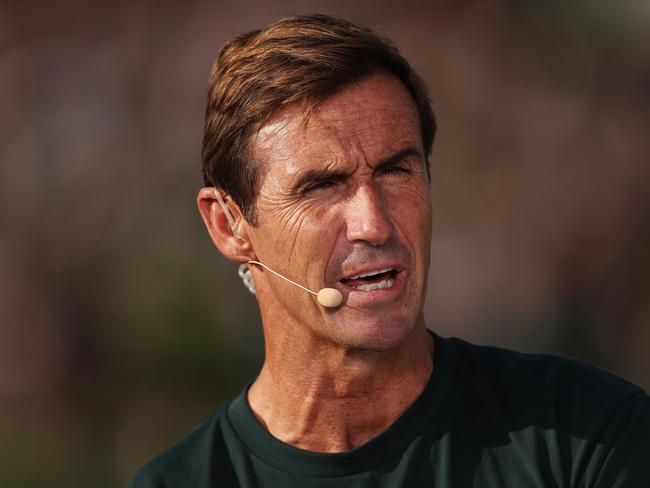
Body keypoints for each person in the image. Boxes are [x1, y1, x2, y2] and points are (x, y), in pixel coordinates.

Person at [128, 14, 650, 487]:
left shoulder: (586, 434)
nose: (373, 223)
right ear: (229, 226)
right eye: (321, 186)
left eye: (396, 170)